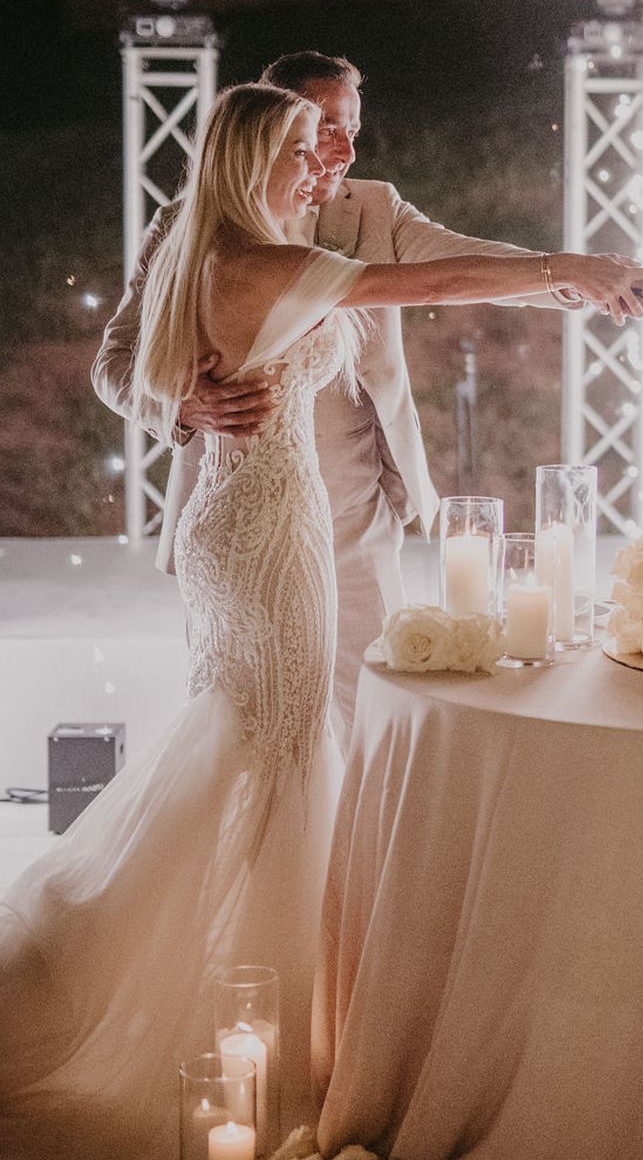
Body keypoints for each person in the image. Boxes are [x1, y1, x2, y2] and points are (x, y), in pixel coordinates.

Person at [0, 82, 643, 1160]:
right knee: (292, 748)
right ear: (263, 153)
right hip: (260, 530)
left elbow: (439, 263)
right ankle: (283, 1045)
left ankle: (258, 1008)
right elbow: (420, 290)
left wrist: (560, 275)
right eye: (309, 144)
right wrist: (572, 265)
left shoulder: (238, 242)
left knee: (257, 750)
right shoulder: (249, 255)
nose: (329, 162)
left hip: (273, 521)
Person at [93, 50, 584, 749]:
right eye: (322, 127)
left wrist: (575, 288)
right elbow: (114, 361)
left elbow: (463, 263)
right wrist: (181, 407)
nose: (342, 147)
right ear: (273, 127)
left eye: (353, 127)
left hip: (357, 513)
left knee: (366, 713)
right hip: (247, 512)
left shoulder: (376, 208)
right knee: (255, 719)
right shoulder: (188, 226)